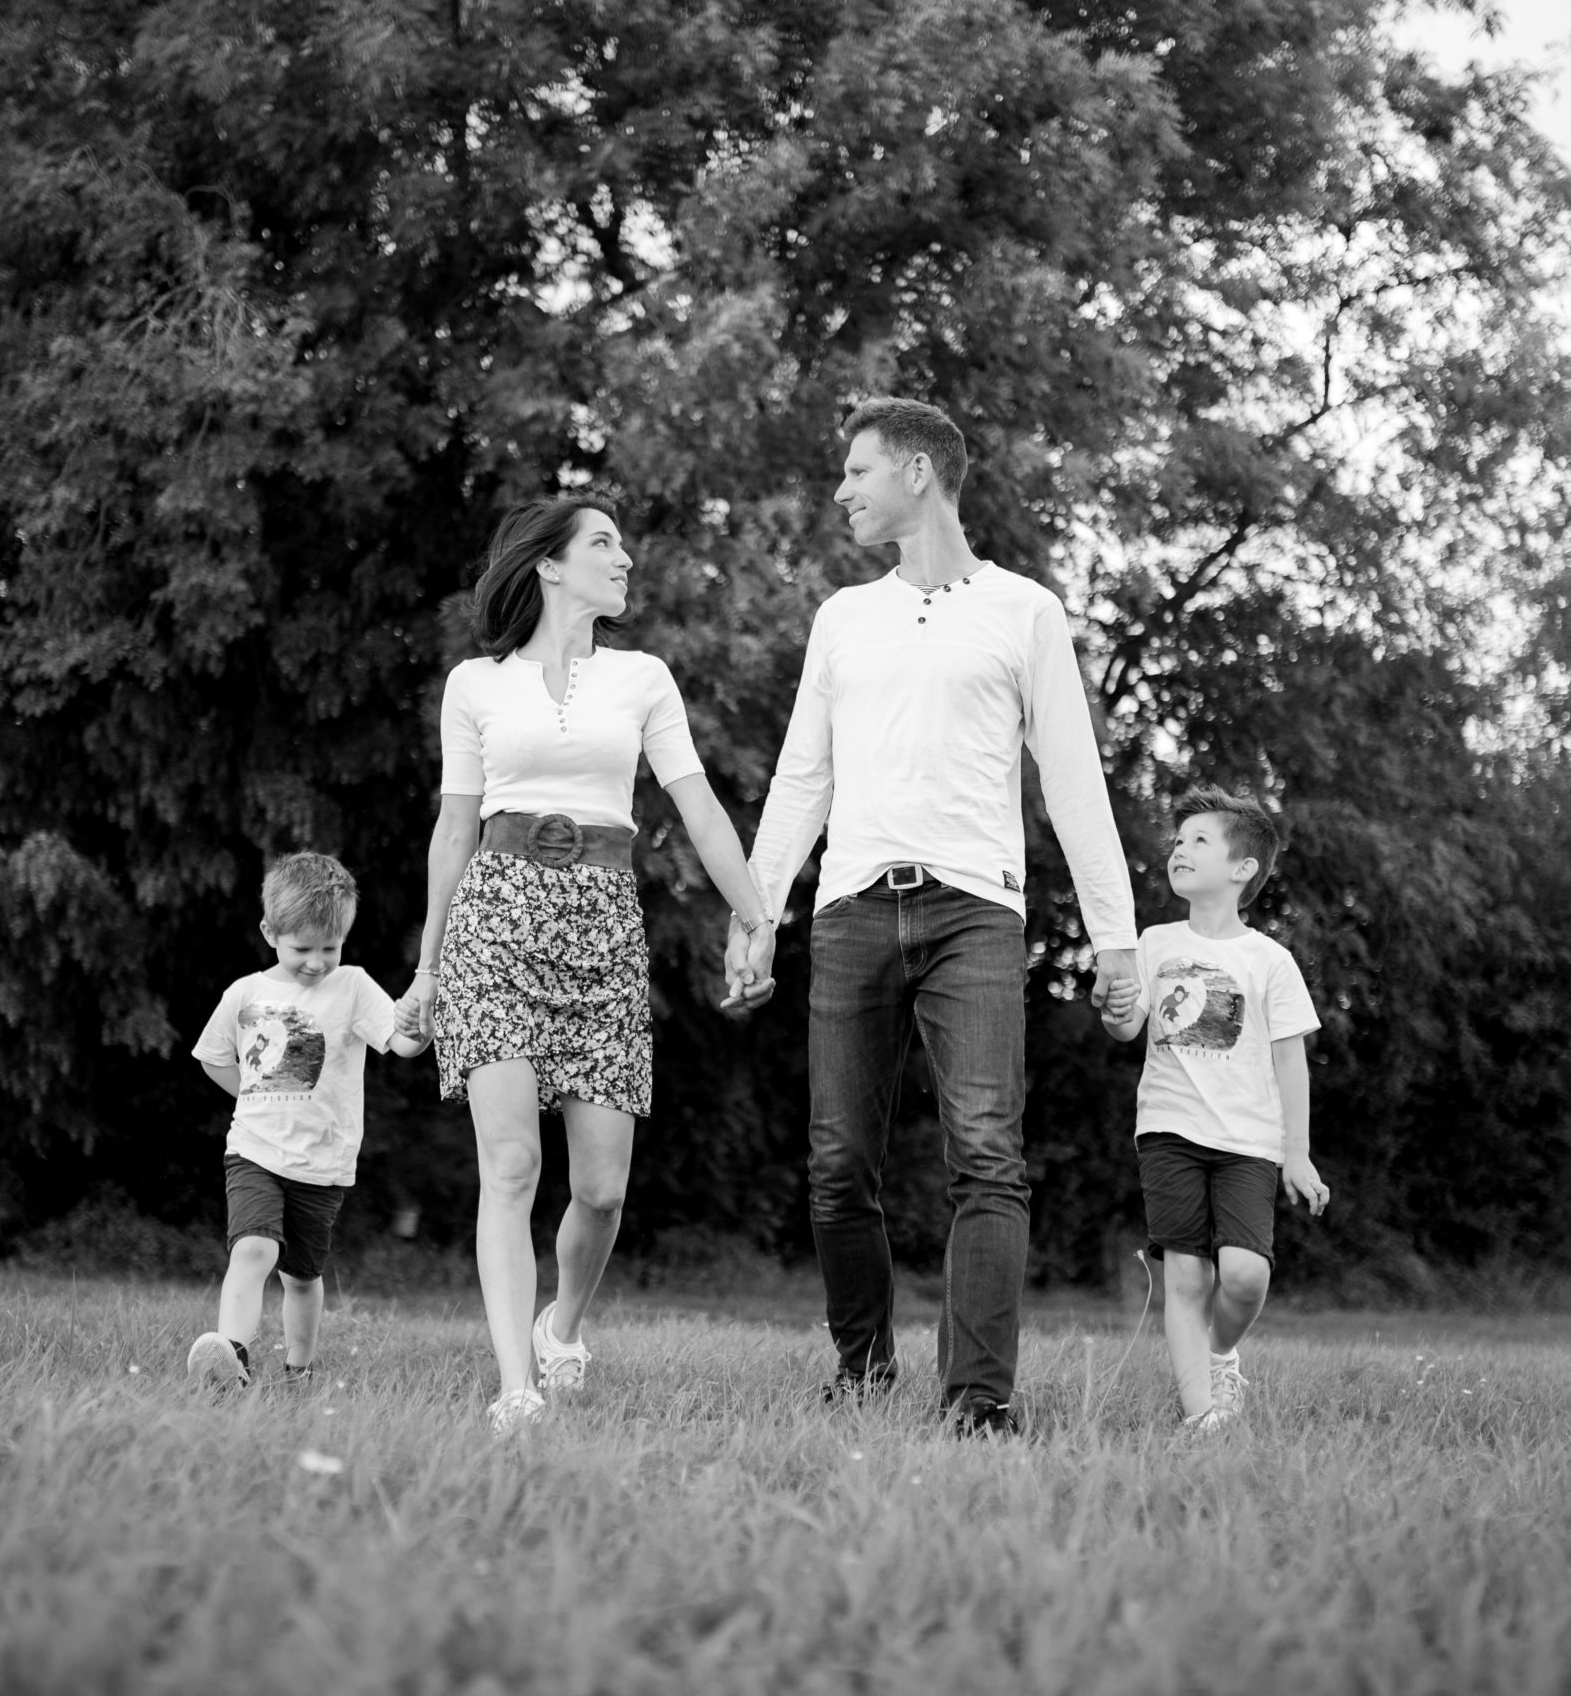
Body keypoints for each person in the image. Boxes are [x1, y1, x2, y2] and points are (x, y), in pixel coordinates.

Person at [740, 397, 1141, 1436]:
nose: (842, 491)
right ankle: (863, 1366)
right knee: (837, 1162)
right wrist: (757, 911)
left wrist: (1117, 941)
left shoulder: (1025, 613)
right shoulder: (843, 617)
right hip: (851, 910)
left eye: (857, 471)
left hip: (976, 913)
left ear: (917, 472)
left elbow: (1074, 783)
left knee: (986, 1155)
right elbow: (800, 778)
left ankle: (977, 1399)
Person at [400, 496, 778, 1435]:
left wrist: (756, 915)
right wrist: (428, 967)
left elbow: (696, 806)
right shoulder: (474, 685)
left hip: (602, 923)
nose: (624, 557)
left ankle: (561, 1328)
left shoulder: (643, 678)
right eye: (602, 543)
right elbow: (453, 830)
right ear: (550, 565)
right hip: (496, 914)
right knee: (513, 1160)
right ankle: (515, 1386)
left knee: (602, 1189)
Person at [1098, 789, 1328, 1432]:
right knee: (1186, 1278)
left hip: (1248, 1142)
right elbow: (1129, 1028)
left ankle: (1221, 1351)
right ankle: (1201, 1419)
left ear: (1243, 867)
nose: (1180, 849)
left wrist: (1297, 1153)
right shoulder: (1153, 942)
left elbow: (1290, 1061)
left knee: (1247, 1276)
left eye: (1199, 840)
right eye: (1178, 841)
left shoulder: (1270, 961)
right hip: (1168, 1131)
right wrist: (1118, 1014)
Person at [187, 852, 430, 1389]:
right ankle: (232, 1359)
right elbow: (212, 1056)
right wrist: (250, 1096)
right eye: (303, 948)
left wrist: (420, 1024)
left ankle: (298, 1368)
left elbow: (402, 1043)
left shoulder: (354, 987)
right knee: (253, 1249)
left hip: (323, 1163)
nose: (318, 962)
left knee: (301, 1276)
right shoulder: (245, 994)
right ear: (270, 932)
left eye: (330, 947)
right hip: (253, 1151)